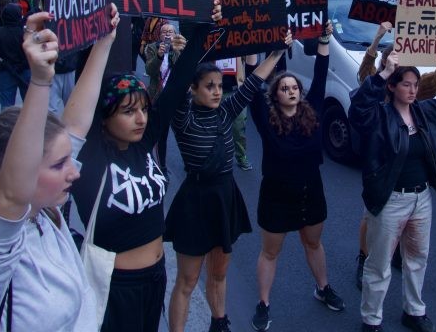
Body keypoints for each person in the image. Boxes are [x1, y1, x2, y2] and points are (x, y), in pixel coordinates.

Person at [0, 12, 98, 329]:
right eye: (58, 164)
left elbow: (77, 125)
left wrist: (104, 38)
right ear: (12, 172)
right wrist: (39, 81)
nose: (74, 172)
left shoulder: (44, 212)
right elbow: (11, 197)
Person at [165, 29, 293, 332]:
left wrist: (275, 53)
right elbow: (176, 87)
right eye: (209, 86)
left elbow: (251, 84)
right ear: (193, 89)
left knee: (219, 273)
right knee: (187, 280)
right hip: (196, 201)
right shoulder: (183, 118)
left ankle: (219, 321)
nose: (217, 91)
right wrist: (181, 56)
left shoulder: (225, 112)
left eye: (219, 85)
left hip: (224, 196)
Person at [66, 3, 181, 331]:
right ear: (104, 118)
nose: (141, 118)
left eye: (144, 109)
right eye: (128, 111)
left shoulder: (144, 143)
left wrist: (205, 31)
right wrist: (100, 40)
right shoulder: (91, 160)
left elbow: (178, 81)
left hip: (156, 279)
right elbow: (80, 110)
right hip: (115, 290)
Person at [350, 51, 436, 332]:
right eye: (406, 84)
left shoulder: (426, 111)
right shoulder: (379, 115)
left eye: (415, 85)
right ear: (392, 86)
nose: (413, 90)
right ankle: (371, 319)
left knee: (417, 258)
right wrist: (382, 73)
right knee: (379, 264)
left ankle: (414, 311)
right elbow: (358, 109)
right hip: (390, 200)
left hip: (421, 199)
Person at [246, 21, 344, 331]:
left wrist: (325, 38)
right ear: (275, 94)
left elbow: (321, 69)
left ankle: (323, 287)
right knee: (270, 251)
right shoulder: (266, 120)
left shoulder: (312, 109)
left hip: (310, 191)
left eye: (294, 88)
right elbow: (251, 82)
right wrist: (254, 50)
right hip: (276, 194)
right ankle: (263, 303)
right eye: (284, 88)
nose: (291, 90)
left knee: (313, 244)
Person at [354, 21, 436, 289]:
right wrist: (376, 43)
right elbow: (364, 76)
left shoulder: (415, 91)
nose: (403, 77)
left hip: (410, 167)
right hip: (381, 164)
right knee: (371, 216)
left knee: (408, 229)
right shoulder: (376, 85)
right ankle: (364, 258)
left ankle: (397, 256)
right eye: (393, 66)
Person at [144, 21, 187, 173]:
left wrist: (175, 51)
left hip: (176, 98)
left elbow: (182, 70)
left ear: (175, 35)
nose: (168, 34)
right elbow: (150, 70)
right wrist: (159, 56)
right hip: (158, 97)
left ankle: (190, 160)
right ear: (159, 35)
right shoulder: (151, 48)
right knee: (161, 134)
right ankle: (161, 165)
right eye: (164, 32)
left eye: (171, 32)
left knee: (182, 131)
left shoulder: (180, 48)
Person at [0, 3, 29, 110]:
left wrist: (2, 63)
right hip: (24, 70)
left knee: (6, 106)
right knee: (30, 103)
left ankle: (6, 125)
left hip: (6, 71)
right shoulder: (25, 34)